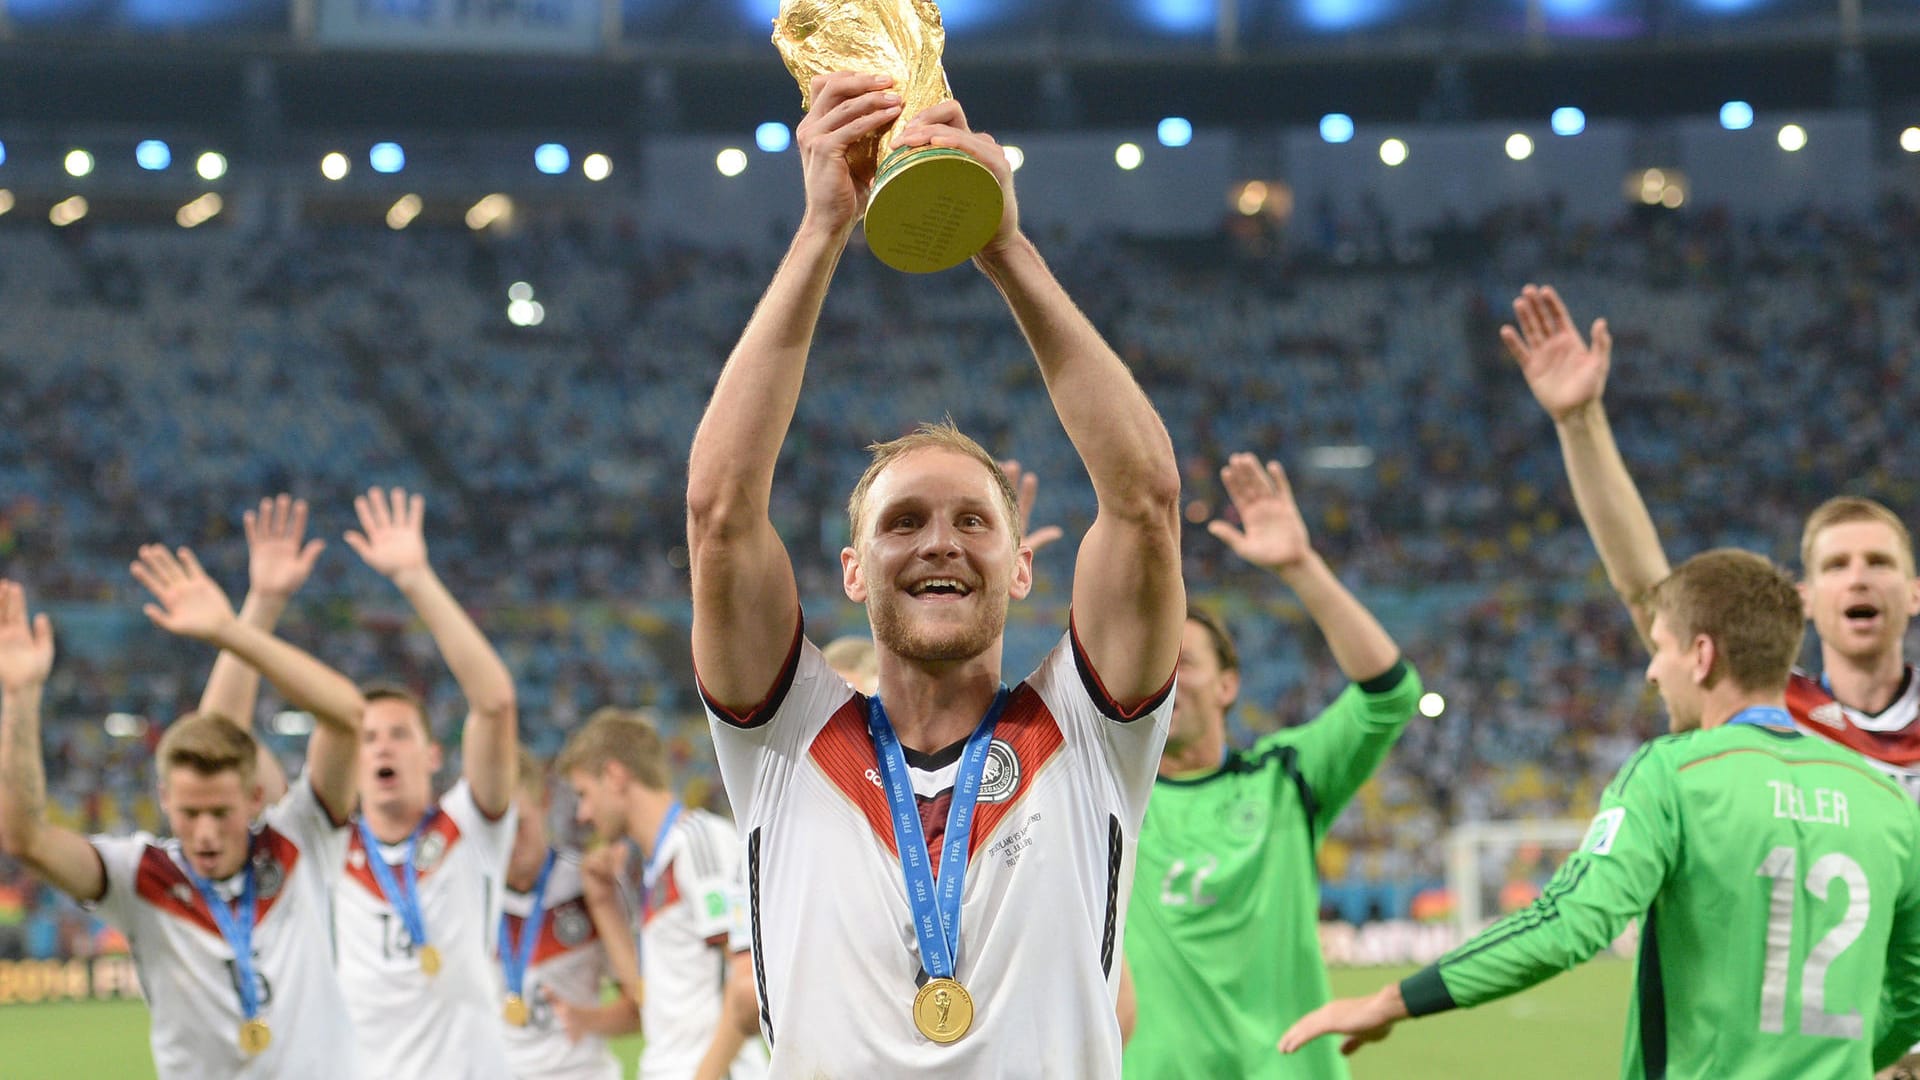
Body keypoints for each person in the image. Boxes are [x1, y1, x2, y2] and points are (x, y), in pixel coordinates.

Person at [684, 72, 1184, 1075]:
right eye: (903, 522)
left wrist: (1001, 243)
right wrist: (823, 225)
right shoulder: (786, 741)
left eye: (973, 522)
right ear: (856, 573)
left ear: (1024, 567)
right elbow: (722, 513)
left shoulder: (1086, 736)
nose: (940, 542)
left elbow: (1144, 501)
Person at [1278, 550, 1920, 1078]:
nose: (1649, 671)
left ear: (1702, 656)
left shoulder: (1676, 774)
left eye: (1660, 648)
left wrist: (1393, 1000)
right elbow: (1914, 988)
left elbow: (1567, 924)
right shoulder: (1885, 798)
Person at [1503, 284, 1920, 799]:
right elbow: (1648, 594)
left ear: (1914, 592)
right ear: (1805, 598)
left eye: (1878, 562)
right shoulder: (1771, 707)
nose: (1858, 576)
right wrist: (1578, 421)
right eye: (1836, 565)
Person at [0, 555, 365, 1079]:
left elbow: (347, 715)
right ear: (164, 799)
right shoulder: (139, 876)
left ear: (256, 796)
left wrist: (231, 631)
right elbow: (24, 838)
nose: (207, 832)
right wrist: (19, 696)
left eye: (222, 812)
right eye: (191, 813)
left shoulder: (300, 840)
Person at [1123, 452, 1422, 1080]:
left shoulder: (1284, 777)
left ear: (1228, 685)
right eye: (1153, 664)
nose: (1166, 680)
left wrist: (1299, 566)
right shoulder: (1107, 799)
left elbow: (1391, 694)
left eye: (1185, 662)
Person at [331, 486, 522, 1079]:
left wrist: (416, 578)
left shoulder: (468, 825)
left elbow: (494, 704)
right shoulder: (325, 847)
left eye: (399, 734)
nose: (383, 745)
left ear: (433, 755)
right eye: (367, 737)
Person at [560, 707, 765, 1080]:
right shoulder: (658, 867)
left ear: (614, 776)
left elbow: (745, 989)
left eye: (584, 794)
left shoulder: (697, 844)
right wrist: (603, 901)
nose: (582, 814)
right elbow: (645, 997)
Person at [495, 747, 640, 1080]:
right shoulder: (470, 896)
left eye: (518, 824)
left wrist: (586, 1020)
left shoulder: (587, 884)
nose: (508, 842)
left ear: (544, 802)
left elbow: (642, 1008)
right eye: (495, 828)